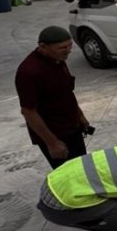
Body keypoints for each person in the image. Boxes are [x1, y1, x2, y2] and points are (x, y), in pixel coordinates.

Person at [16, 26, 92, 169]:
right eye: (62, 48)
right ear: (43, 47)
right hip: (55, 134)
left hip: (72, 128)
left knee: (83, 168)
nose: (68, 50)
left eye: (70, 46)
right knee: (69, 175)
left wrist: (80, 115)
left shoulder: (57, 59)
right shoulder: (28, 72)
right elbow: (28, 112)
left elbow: (67, 92)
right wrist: (52, 143)